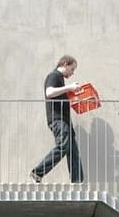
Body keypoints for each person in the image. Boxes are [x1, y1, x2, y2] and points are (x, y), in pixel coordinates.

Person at [30, 54, 84, 184]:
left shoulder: (60, 80)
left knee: (73, 152)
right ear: (65, 64)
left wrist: (71, 93)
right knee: (62, 147)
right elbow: (49, 92)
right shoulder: (54, 76)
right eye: (72, 69)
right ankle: (38, 172)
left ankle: (77, 182)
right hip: (58, 120)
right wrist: (69, 87)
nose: (72, 73)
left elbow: (58, 94)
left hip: (65, 121)